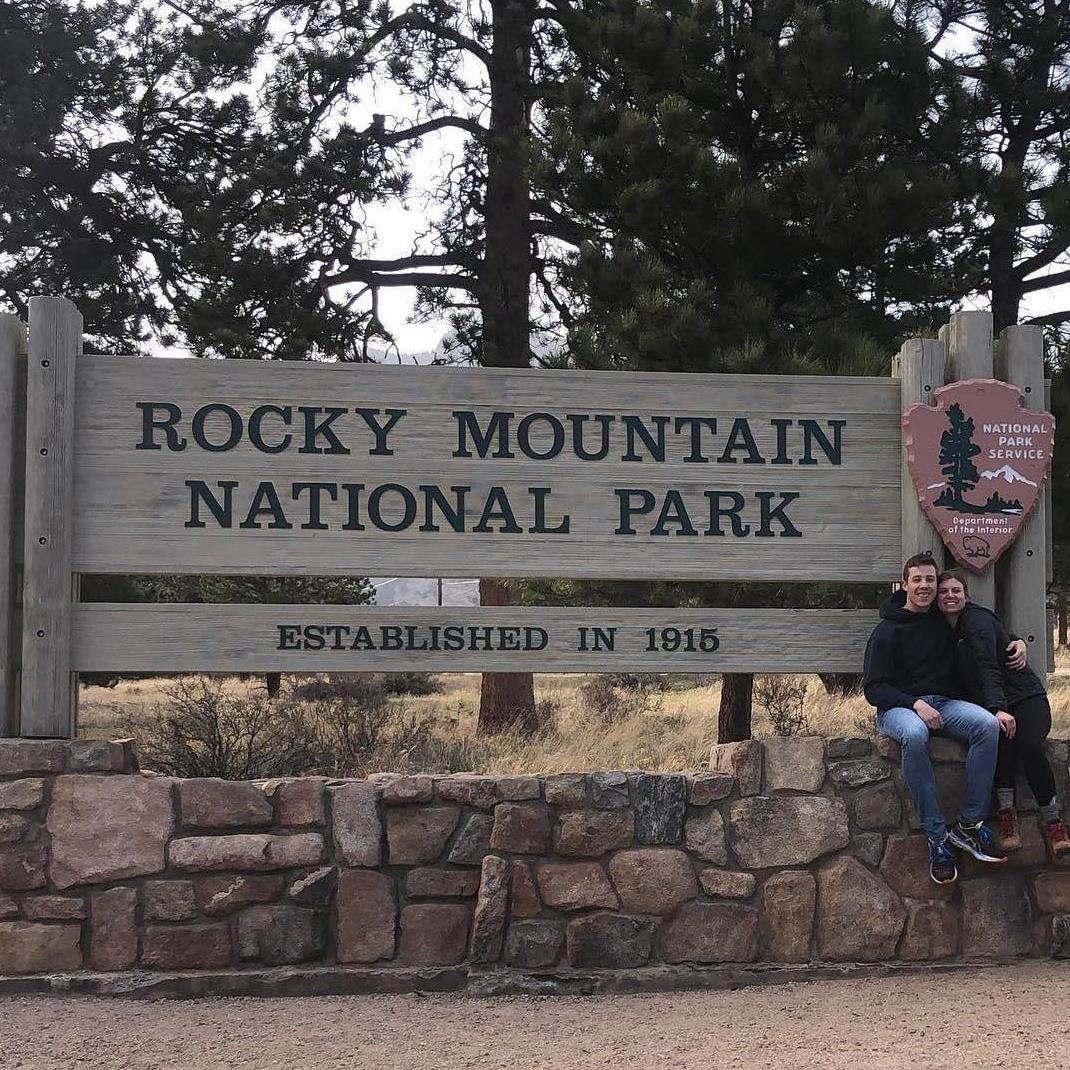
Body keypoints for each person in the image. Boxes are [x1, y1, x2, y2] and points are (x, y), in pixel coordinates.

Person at [863, 553, 1027, 884]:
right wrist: (915, 704)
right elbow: (874, 688)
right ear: (905, 584)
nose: (924, 586)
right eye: (917, 580)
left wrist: (1014, 640)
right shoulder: (887, 631)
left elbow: (981, 622)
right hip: (898, 709)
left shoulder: (944, 620)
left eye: (930, 580)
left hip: (945, 704)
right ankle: (937, 837)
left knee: (986, 726)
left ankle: (969, 824)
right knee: (915, 735)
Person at [936, 569, 1070, 861]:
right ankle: (1007, 814)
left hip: (1024, 697)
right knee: (999, 741)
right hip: (992, 702)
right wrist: (1016, 640)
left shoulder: (976, 620)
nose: (950, 596)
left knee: (1029, 744)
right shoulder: (942, 628)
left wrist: (998, 708)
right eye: (943, 591)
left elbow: (988, 666)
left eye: (956, 590)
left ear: (966, 594)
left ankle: (1054, 822)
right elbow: (1003, 638)